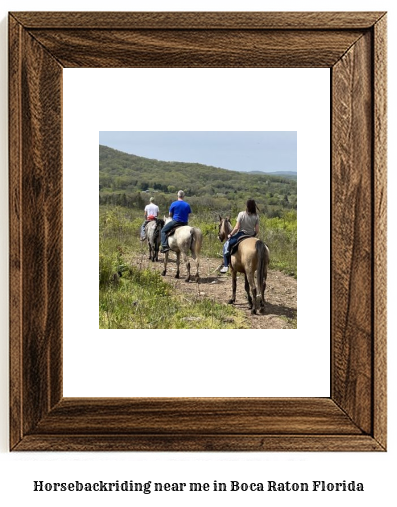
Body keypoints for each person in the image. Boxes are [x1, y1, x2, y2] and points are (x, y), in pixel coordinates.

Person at [220, 199, 259, 273]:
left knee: (226, 245)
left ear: (247, 206)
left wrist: (230, 234)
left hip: (241, 234)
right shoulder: (256, 216)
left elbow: (237, 227)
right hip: (251, 235)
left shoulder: (241, 214)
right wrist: (253, 235)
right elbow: (257, 230)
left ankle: (226, 266)